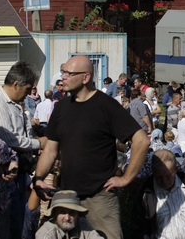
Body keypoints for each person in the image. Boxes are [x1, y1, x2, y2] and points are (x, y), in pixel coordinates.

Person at [32, 56, 149, 239]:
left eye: (69, 73)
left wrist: (126, 178)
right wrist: (38, 178)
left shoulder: (106, 105)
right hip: (67, 198)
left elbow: (141, 140)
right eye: (63, 72)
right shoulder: (61, 107)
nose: (63, 77)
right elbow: (50, 150)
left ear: (85, 77)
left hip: (100, 198)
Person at [0, 61, 47, 239]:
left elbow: (22, 133)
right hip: (3, 173)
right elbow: (8, 139)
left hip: (19, 171)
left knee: (19, 221)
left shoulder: (15, 104)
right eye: (27, 89)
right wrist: (38, 143)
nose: (28, 94)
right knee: (9, 223)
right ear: (16, 84)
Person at [132, 149, 185, 239]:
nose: (164, 181)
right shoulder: (145, 194)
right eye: (159, 177)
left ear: (176, 168)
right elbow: (139, 229)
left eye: (168, 176)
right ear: (153, 171)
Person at [35, 190, 104, 239]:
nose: (67, 218)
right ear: (55, 214)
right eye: (63, 212)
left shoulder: (82, 224)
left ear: (77, 213)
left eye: (72, 212)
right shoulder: (46, 233)